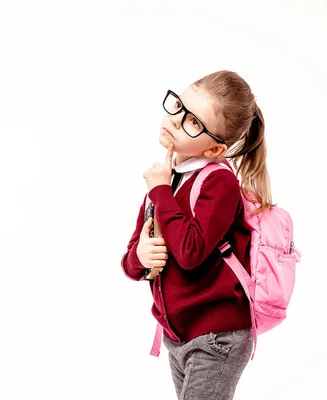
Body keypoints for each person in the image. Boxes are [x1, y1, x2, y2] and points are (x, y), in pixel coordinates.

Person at [120, 70, 274, 400]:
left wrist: (160, 191)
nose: (175, 120)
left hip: (218, 335)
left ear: (216, 150)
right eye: (179, 107)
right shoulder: (165, 179)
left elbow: (191, 253)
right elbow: (133, 261)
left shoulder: (218, 183)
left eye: (193, 122)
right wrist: (140, 256)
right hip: (178, 336)